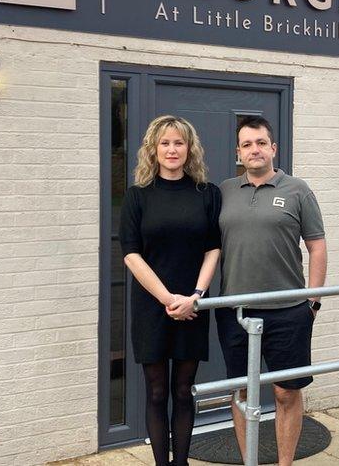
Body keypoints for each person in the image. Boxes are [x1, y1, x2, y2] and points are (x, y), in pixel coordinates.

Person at [216, 115, 327, 466]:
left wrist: (313, 301)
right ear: (239, 152)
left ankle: (284, 463)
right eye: (247, 144)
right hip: (236, 310)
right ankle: (249, 461)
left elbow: (317, 246)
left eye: (261, 143)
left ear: (273, 148)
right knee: (242, 391)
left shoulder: (298, 190)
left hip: (288, 310)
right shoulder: (224, 192)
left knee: (285, 392)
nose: (255, 150)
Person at [119, 115, 222, 466]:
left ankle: (182, 464)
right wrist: (168, 299)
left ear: (189, 148)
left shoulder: (207, 194)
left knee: (183, 391)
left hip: (192, 304)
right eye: (165, 143)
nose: (172, 149)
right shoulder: (137, 197)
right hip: (153, 308)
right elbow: (131, 255)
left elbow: (213, 249)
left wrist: (195, 295)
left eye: (179, 142)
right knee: (157, 391)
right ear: (154, 149)